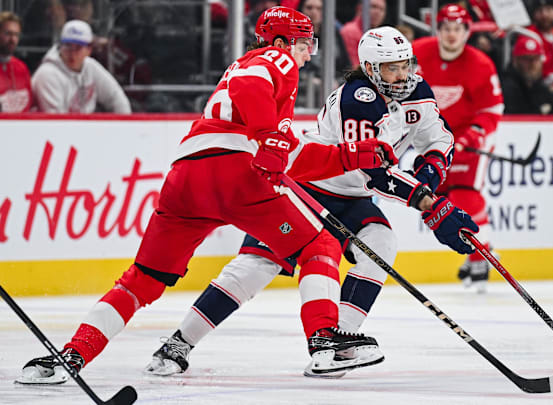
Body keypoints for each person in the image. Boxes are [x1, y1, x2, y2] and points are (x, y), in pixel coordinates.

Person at [17, 6, 400, 385]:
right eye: (304, 43)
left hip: (185, 182)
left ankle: (70, 355)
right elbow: (253, 95)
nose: (307, 53)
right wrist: (268, 136)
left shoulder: (260, 88)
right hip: (235, 176)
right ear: (282, 41)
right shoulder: (274, 59)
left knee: (141, 281)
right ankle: (324, 343)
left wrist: (353, 155)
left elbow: (291, 157)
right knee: (320, 246)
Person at [143, 25, 478, 379]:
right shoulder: (358, 98)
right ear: (369, 68)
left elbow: (439, 137)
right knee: (255, 268)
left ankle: (341, 340)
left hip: (352, 197)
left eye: (405, 64)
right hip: (309, 188)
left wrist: (431, 173)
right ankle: (178, 344)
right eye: (391, 68)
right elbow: (374, 172)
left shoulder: (417, 90)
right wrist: (426, 202)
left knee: (381, 242)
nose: (401, 75)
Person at [413, 3, 503, 293]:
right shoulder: (417, 53)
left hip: (467, 140)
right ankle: (478, 250)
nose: (452, 35)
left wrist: (472, 136)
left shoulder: (480, 64)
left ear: (467, 32)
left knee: (465, 195)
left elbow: (492, 108)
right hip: (432, 140)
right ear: (438, 30)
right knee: (436, 200)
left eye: (458, 29)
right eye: (446, 28)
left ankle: (479, 256)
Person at [31, 19, 131, 114]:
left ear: (89, 50)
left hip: (82, 127)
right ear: (60, 46)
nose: (72, 53)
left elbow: (116, 97)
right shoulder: (47, 74)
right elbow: (56, 121)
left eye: (78, 48)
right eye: (68, 46)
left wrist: (125, 127)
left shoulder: (90, 66)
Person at [501, 35, 553, 115]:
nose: (532, 64)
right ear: (515, 60)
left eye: (536, 58)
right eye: (527, 59)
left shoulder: (543, 90)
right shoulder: (506, 90)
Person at [0, 11, 32, 113]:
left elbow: (29, 104)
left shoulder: (21, 68)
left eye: (16, 34)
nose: (12, 39)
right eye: (8, 33)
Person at [340, 0, 386, 67]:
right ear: (360, 8)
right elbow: (354, 69)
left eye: (382, 9)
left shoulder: (380, 36)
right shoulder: (350, 31)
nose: (377, 12)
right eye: (373, 7)